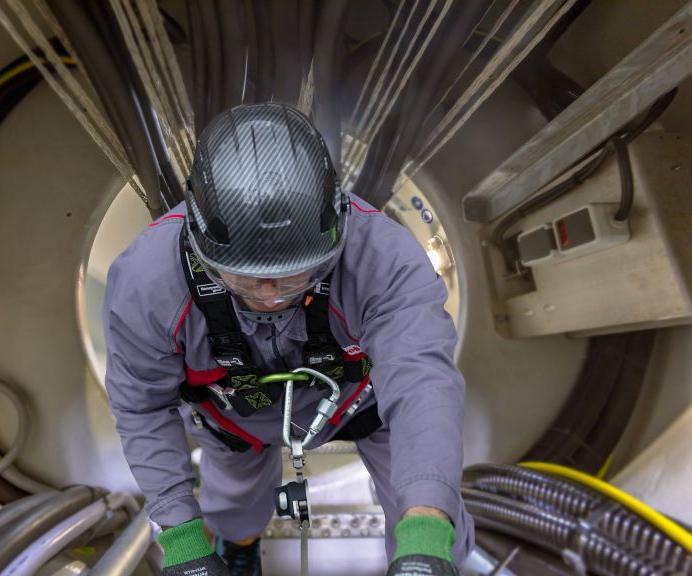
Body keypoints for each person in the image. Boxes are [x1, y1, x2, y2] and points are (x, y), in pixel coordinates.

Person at [104, 102, 474, 576]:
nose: (269, 294)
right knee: (234, 508)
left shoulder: (383, 258)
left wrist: (425, 534)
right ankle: (239, 542)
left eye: (293, 275)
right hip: (235, 423)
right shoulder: (147, 283)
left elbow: (424, 384)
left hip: (364, 406)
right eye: (244, 276)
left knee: (435, 523)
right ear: (199, 241)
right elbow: (143, 408)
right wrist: (181, 543)